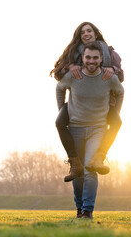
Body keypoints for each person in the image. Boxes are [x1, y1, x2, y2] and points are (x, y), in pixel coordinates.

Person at [56, 41, 124, 218]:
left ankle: (87, 210)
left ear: (101, 58)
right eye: (88, 57)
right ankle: (79, 208)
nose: (91, 61)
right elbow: (59, 87)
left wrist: (115, 111)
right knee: (78, 172)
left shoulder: (108, 77)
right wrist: (62, 108)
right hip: (75, 129)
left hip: (97, 129)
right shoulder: (74, 75)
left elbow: (120, 91)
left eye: (95, 58)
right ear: (83, 58)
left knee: (90, 168)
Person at [50, 22, 124, 182]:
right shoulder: (71, 53)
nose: (86, 34)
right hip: (77, 103)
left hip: (104, 102)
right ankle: (74, 162)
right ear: (79, 36)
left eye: (89, 30)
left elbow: (121, 78)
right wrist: (68, 67)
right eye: (82, 32)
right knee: (59, 122)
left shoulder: (110, 53)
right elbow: (58, 74)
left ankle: (100, 156)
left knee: (117, 121)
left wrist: (114, 70)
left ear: (96, 33)